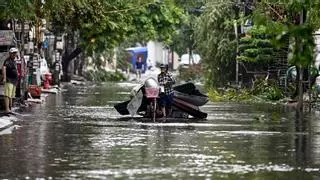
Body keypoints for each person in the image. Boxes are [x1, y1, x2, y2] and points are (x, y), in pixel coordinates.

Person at [2, 47, 19, 113]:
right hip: (9, 79)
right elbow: (4, 68)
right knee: (7, 95)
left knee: (11, 95)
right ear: (10, 53)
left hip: (14, 81)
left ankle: (10, 108)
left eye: (15, 53)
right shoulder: (7, 60)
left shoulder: (14, 60)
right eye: (13, 53)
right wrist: (4, 78)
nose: (14, 54)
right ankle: (7, 109)